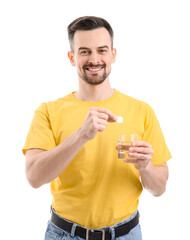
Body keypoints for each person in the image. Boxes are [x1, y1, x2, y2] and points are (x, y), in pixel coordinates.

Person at [23, 16, 172, 240]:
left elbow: (159, 188)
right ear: (72, 58)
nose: (94, 59)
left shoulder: (142, 111)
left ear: (113, 55)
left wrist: (146, 167)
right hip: (64, 234)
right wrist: (81, 135)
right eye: (84, 52)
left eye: (102, 50)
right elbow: (34, 177)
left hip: (126, 234)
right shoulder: (48, 111)